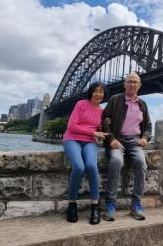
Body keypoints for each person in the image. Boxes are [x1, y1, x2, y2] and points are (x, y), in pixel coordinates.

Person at [102, 72, 151, 221]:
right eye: (129, 81)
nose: (132, 84)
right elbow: (104, 120)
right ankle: (110, 204)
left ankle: (136, 204)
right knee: (116, 161)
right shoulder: (115, 100)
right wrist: (110, 139)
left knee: (141, 163)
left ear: (140, 85)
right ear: (124, 84)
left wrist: (145, 137)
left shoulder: (142, 104)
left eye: (135, 82)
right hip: (118, 140)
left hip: (135, 141)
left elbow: (148, 126)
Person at [62, 82, 109, 225]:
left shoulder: (102, 111)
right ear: (91, 92)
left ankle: (95, 206)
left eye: (101, 92)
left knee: (91, 166)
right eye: (95, 91)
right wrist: (93, 132)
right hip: (72, 139)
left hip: (89, 142)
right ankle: (72, 204)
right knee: (79, 167)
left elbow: (101, 128)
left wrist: (107, 124)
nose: (98, 94)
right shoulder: (81, 104)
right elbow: (72, 126)